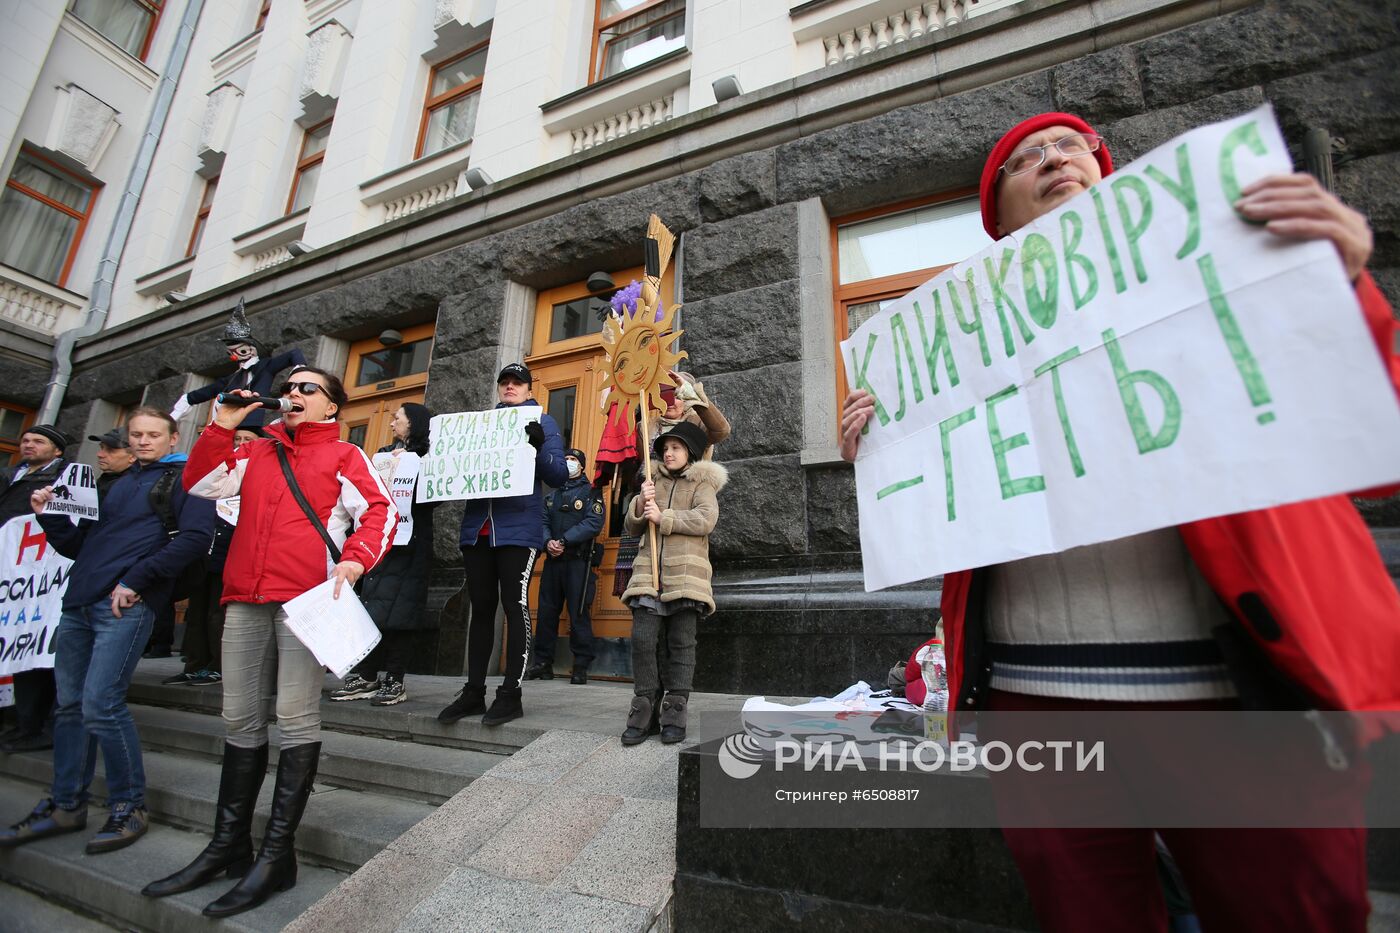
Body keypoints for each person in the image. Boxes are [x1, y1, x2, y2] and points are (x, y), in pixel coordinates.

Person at [841, 112, 1400, 932]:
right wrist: (884, 439)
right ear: (998, 218)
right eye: (1026, 159)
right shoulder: (959, 346)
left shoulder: (1230, 260)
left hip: (1237, 696)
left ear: (1108, 171)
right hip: (1037, 703)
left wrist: (1341, 288)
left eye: (1071, 146)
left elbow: (1378, 450)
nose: (1054, 159)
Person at [143, 367, 395, 917]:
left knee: (296, 716)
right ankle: (228, 845)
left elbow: (381, 511)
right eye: (289, 387)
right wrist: (222, 423)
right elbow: (200, 484)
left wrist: (355, 559)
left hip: (305, 602)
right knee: (239, 718)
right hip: (245, 598)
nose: (294, 394)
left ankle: (276, 855)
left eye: (308, 388)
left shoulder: (346, 456)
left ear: (332, 406)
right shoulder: (256, 453)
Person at [0, 410, 214, 854]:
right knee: (70, 707)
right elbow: (83, 546)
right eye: (136, 434)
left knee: (101, 704)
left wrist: (137, 580)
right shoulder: (112, 484)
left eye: (153, 434)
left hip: (127, 605)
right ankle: (65, 804)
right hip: (79, 602)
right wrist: (50, 517)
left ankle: (129, 806)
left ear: (173, 436)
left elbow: (194, 539)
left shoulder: (187, 479)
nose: (142, 441)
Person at [437, 363, 569, 727]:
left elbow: (558, 475)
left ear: (529, 388)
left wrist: (539, 447)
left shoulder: (543, 421)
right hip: (478, 528)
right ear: (499, 388)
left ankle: (511, 694)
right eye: (505, 382)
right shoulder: (479, 425)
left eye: (517, 382)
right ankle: (473, 691)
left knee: (515, 605)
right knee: (480, 608)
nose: (510, 387)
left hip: (519, 528)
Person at [620, 422, 726, 745]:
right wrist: (641, 502)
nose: (668, 453)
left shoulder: (702, 484)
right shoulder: (653, 480)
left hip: (686, 576)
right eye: (665, 448)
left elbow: (705, 519)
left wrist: (664, 517)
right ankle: (645, 705)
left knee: (681, 643)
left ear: (690, 452)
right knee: (642, 640)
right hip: (648, 576)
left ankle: (675, 708)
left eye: (676, 448)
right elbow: (631, 526)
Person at [331, 402, 436, 707]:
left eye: (397, 420)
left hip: (411, 543)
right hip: (381, 544)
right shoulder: (382, 455)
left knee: (402, 613)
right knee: (371, 609)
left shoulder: (427, 459)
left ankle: (394, 679)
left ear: (413, 424)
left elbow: (435, 499)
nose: (392, 424)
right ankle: (365, 676)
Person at [162, 418, 262, 688]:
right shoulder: (219, 472)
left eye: (247, 441)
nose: (240, 445)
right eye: (237, 440)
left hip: (233, 553)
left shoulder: (256, 474)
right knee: (197, 611)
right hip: (205, 551)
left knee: (220, 614)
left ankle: (218, 666)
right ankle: (194, 663)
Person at [0, 425, 69, 754]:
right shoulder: (10, 476)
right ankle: (20, 721)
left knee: (35, 652)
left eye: (38, 441)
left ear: (57, 451)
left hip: (38, 580)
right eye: (25, 439)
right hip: (10, 576)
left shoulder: (63, 478)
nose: (28, 444)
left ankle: (36, 724)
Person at [525, 447, 604, 685]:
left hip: (577, 561)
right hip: (553, 560)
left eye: (573, 460)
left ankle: (580, 665)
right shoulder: (553, 493)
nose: (569, 463)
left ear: (581, 465)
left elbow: (593, 522)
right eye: (566, 459)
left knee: (578, 614)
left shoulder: (591, 492)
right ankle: (543, 663)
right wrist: (548, 541)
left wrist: (564, 540)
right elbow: (541, 521)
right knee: (547, 612)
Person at [169, 298, 307, 422]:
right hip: (227, 424)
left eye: (241, 351)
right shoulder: (230, 380)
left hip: (250, 424)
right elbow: (199, 395)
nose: (235, 356)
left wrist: (301, 373)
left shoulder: (264, 367)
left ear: (253, 350)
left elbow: (293, 354)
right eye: (231, 353)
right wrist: (177, 411)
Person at [91, 427, 135, 496]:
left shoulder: (132, 488)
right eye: (102, 447)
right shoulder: (109, 478)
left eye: (110, 450)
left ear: (133, 457)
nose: (99, 454)